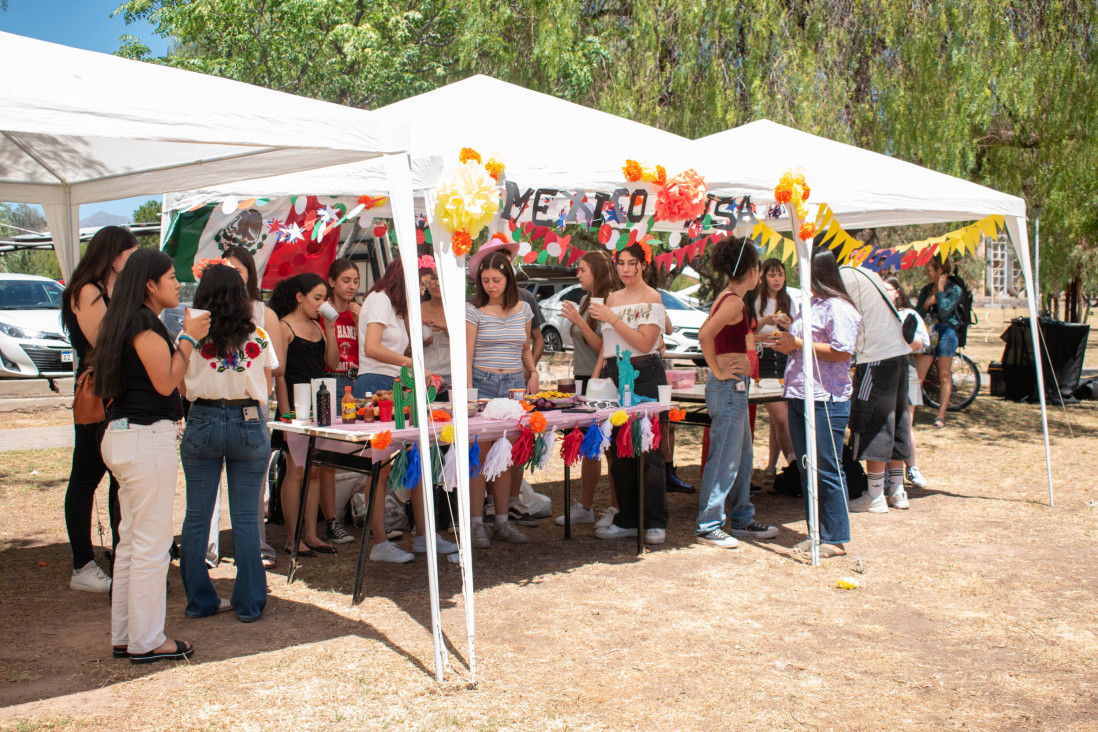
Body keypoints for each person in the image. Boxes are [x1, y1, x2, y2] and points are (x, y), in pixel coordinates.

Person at [96, 248, 209, 663]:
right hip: (145, 438)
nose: (178, 283)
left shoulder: (122, 320)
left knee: (132, 543)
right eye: (172, 277)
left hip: (126, 437)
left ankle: (128, 635)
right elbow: (166, 382)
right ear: (150, 284)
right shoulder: (143, 322)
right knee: (151, 544)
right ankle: (146, 639)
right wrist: (190, 337)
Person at [178, 262, 273, 622]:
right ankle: (249, 603)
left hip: (201, 419)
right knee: (247, 517)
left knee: (197, 516)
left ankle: (200, 601)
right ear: (241, 297)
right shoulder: (260, 337)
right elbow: (267, 385)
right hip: (248, 421)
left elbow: (182, 386)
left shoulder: (190, 337)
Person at [355, 258, 459, 561]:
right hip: (375, 386)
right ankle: (380, 542)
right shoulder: (379, 300)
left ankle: (425, 536)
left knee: (419, 459)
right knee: (381, 468)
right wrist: (410, 362)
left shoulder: (399, 309)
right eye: (421, 283)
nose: (422, 289)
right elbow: (372, 348)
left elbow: (403, 350)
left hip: (399, 385)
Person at [60, 226, 137, 593]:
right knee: (87, 476)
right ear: (114, 254)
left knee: (117, 477)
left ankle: (122, 558)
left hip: (115, 391)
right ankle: (82, 564)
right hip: (97, 392)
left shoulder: (111, 290)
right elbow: (104, 340)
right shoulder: (87, 290)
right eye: (130, 253)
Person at [771, 248, 860, 558]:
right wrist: (788, 339)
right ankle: (815, 532)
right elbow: (802, 344)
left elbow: (842, 352)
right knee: (809, 467)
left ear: (820, 271)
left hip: (826, 398)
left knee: (826, 468)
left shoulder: (839, 308)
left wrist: (797, 343)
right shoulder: (808, 304)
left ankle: (835, 538)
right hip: (798, 393)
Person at [695, 237, 779, 548]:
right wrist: (717, 370)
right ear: (754, 270)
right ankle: (708, 524)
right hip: (728, 387)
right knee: (725, 458)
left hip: (735, 388)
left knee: (741, 456)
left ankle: (742, 517)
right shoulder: (732, 301)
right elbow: (705, 335)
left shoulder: (730, 298)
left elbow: (729, 338)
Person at [590, 242, 669, 545]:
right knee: (620, 450)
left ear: (643, 264)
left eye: (631, 263)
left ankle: (654, 520)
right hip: (614, 374)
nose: (624, 269)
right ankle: (627, 518)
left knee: (648, 450)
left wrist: (613, 319)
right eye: (620, 262)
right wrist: (597, 377)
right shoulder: (612, 297)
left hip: (643, 374)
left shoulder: (652, 298)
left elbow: (646, 342)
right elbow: (609, 343)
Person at [465, 250, 538, 547]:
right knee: (479, 456)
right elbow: (466, 356)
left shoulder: (524, 309)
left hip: (514, 386)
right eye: (485, 280)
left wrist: (532, 371)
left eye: (496, 280)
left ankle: (502, 522)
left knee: (505, 456)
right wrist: (470, 397)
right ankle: (475, 524)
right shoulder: (473, 310)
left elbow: (525, 349)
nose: (490, 286)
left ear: (508, 278)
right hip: (482, 384)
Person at [270, 273, 341, 557]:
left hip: (319, 407)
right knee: (296, 472)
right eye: (317, 298)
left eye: (325, 298)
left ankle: (311, 534)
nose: (322, 304)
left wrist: (332, 328)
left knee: (314, 471)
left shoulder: (318, 326)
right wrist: (286, 415)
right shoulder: (284, 325)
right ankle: (292, 537)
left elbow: (332, 364)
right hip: (294, 409)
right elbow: (279, 374)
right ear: (300, 297)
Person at [222, 246, 284, 569]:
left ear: (250, 274)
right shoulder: (208, 310)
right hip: (214, 407)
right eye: (227, 269)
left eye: (240, 270)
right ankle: (210, 549)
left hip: (254, 406)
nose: (234, 276)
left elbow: (276, 366)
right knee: (212, 482)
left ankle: (257, 544)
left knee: (255, 481)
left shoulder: (263, 313)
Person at [839, 262, 915, 515]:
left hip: (875, 359)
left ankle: (874, 496)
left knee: (872, 423)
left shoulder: (841, 278)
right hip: (899, 356)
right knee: (897, 423)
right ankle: (896, 490)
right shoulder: (866, 274)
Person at [556, 250, 620, 529]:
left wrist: (580, 321)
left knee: (611, 448)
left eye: (582, 269)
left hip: (604, 383)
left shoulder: (611, 302)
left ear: (597, 272)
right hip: (582, 378)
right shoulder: (586, 300)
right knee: (590, 445)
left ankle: (617, 509)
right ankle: (585, 506)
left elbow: (603, 349)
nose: (578, 274)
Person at [747, 258, 799, 485]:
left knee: (779, 421)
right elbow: (748, 332)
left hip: (786, 358)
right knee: (781, 417)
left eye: (780, 275)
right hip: (764, 359)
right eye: (772, 275)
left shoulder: (790, 300)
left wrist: (790, 327)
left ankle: (771, 466)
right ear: (762, 277)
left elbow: (797, 333)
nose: (777, 279)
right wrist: (765, 321)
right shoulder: (755, 299)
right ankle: (795, 464)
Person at [883, 276, 930, 506]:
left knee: (904, 423)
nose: (885, 293)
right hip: (882, 373)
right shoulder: (876, 313)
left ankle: (910, 469)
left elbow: (923, 344)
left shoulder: (909, 315)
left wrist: (906, 336)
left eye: (888, 289)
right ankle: (884, 476)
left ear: (898, 292)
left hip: (906, 369)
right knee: (884, 425)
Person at [915, 258, 964, 429]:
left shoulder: (955, 289)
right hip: (928, 331)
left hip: (946, 333)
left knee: (944, 375)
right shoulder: (926, 290)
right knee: (918, 376)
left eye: (930, 270)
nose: (927, 273)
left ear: (940, 271)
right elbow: (917, 313)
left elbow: (944, 312)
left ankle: (941, 415)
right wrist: (927, 304)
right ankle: (910, 413)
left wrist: (942, 290)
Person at [325, 258, 361, 394]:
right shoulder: (323, 312)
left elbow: (366, 352)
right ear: (331, 282)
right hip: (334, 380)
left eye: (356, 281)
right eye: (346, 281)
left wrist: (359, 321)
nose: (352, 286)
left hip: (358, 379)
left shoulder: (359, 312)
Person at [419, 256, 451, 399]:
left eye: (441, 278)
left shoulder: (459, 310)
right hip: (422, 380)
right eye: (433, 278)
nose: (437, 283)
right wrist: (421, 343)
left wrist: (445, 327)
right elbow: (405, 350)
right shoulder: (416, 309)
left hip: (450, 382)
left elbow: (467, 345)